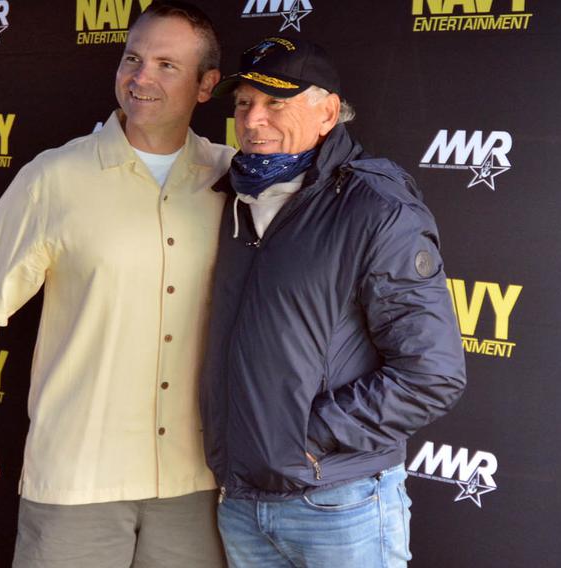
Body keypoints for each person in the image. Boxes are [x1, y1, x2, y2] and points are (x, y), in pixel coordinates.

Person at [0, 2, 234, 566]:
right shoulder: (53, 178)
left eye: (165, 65)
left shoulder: (234, 180)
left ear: (206, 86)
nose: (140, 77)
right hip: (76, 481)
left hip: (196, 481)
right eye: (132, 58)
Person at [200, 36, 467, 567]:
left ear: (327, 114)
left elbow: (432, 373)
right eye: (244, 103)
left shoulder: (377, 207)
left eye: (276, 103)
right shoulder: (233, 197)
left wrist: (310, 438)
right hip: (242, 505)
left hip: (341, 505)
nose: (253, 120)